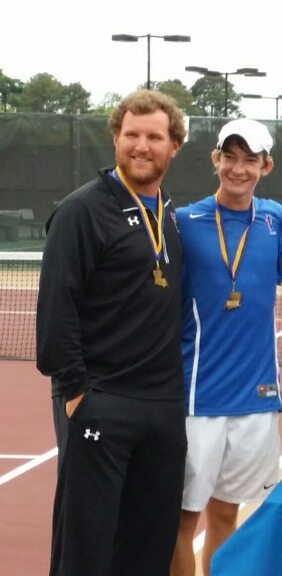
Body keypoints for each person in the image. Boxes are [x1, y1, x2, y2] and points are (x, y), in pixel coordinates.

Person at [35, 89, 187, 576]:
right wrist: (77, 393)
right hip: (100, 400)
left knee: (148, 543)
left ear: (174, 147)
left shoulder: (169, 214)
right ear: (116, 140)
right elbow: (56, 312)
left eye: (154, 136)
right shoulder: (82, 211)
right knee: (87, 547)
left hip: (162, 409)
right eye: (132, 135)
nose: (142, 146)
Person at [169, 119, 282, 576]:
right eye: (230, 157)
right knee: (182, 520)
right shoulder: (183, 222)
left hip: (256, 400)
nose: (239, 169)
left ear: (266, 165)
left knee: (226, 514)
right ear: (216, 159)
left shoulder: (277, 221)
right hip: (196, 398)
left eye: (250, 159)